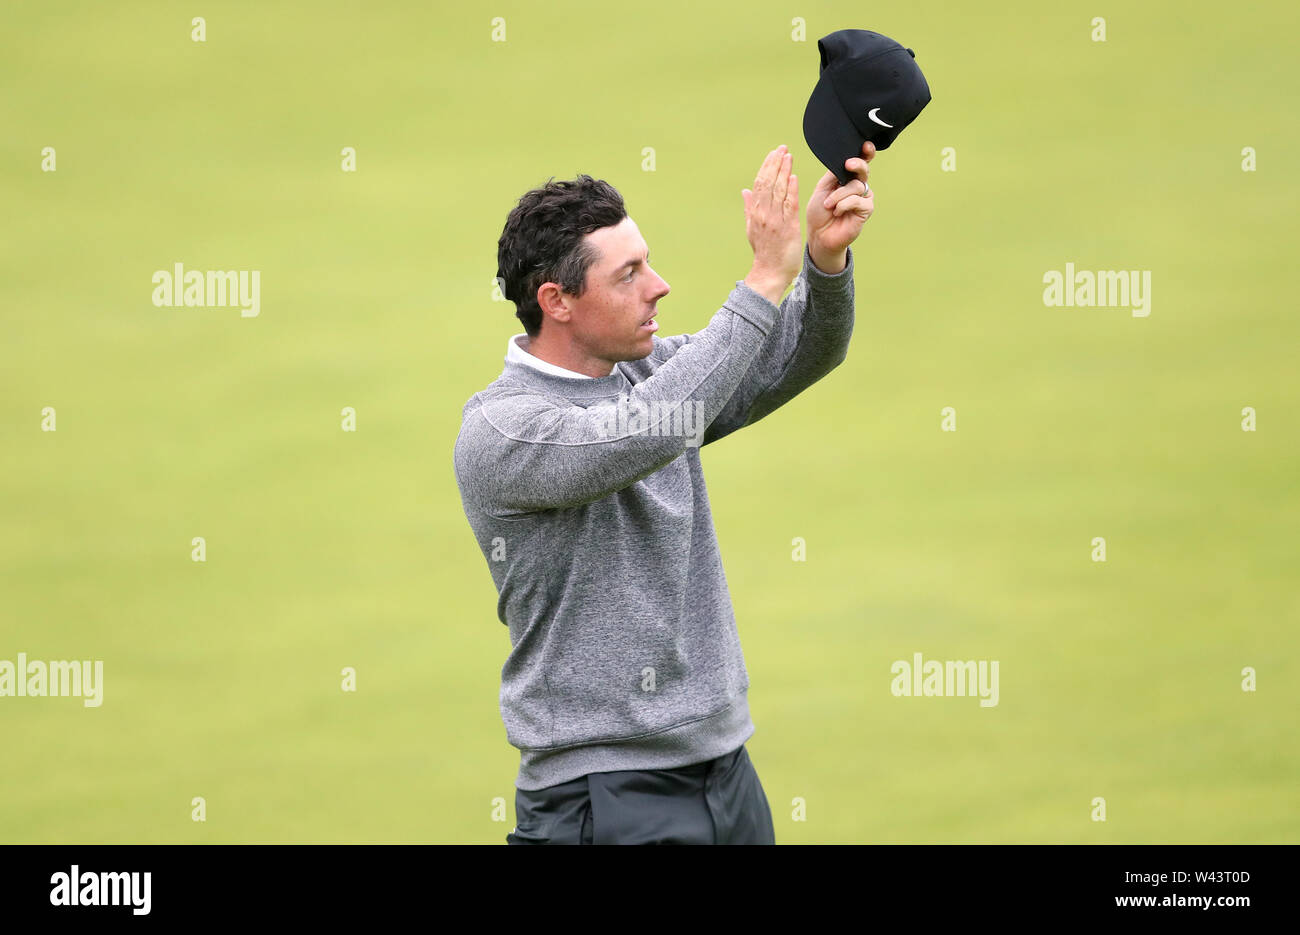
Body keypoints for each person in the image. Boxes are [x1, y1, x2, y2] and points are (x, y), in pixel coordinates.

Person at [454, 142, 875, 844]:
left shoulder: (653, 375)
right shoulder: (503, 430)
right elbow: (637, 434)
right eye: (629, 274)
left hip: (725, 774)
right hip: (603, 796)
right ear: (556, 301)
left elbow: (801, 351)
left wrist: (823, 263)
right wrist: (763, 278)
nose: (659, 285)